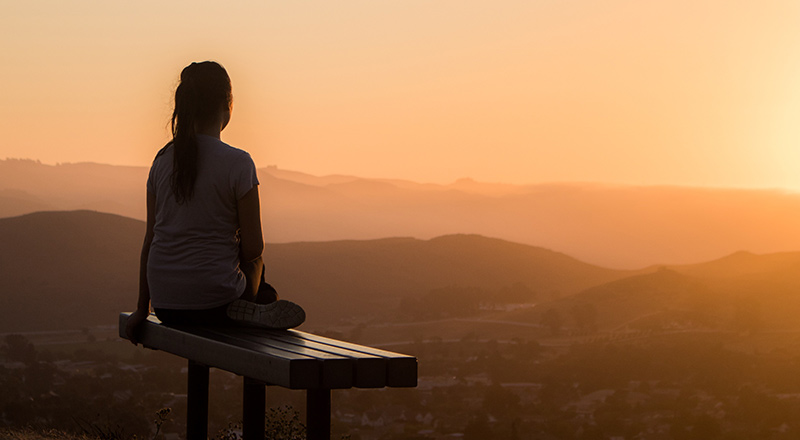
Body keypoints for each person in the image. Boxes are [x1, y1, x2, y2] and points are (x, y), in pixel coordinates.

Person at [125, 61, 304, 345]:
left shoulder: (161, 161)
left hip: (166, 306)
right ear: (227, 105)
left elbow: (150, 241)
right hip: (217, 304)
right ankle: (258, 304)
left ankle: (256, 305)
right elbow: (253, 247)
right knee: (258, 265)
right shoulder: (238, 163)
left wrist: (140, 309)